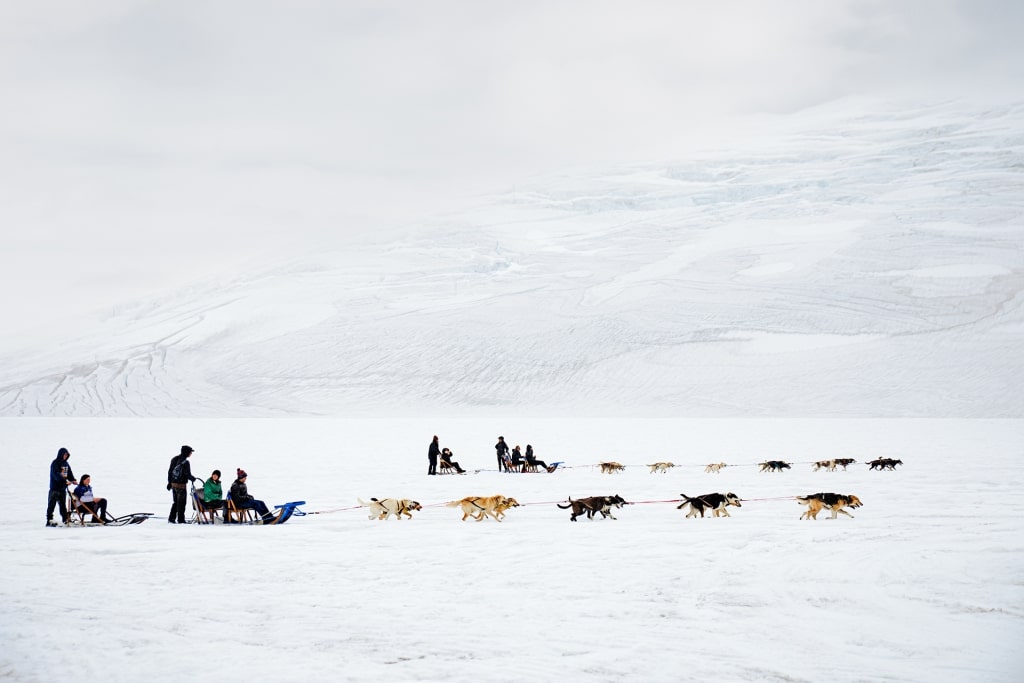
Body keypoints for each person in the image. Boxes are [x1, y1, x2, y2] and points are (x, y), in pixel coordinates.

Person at [46, 447, 78, 527]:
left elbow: (69, 473)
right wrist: (64, 481)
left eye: (66, 455)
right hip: (55, 488)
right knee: (51, 504)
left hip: (63, 489)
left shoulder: (66, 464)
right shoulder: (55, 463)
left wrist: (73, 480)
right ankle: (49, 520)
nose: (65, 456)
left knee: (63, 505)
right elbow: (56, 475)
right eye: (64, 454)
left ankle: (65, 519)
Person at [167, 445, 197, 524]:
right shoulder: (186, 462)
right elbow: (187, 474)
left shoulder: (174, 459)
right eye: (190, 452)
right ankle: (181, 520)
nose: (191, 453)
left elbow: (170, 472)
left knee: (175, 502)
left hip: (173, 485)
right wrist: (193, 478)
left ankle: (171, 518)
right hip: (181, 486)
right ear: (187, 452)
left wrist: (169, 483)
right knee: (181, 503)